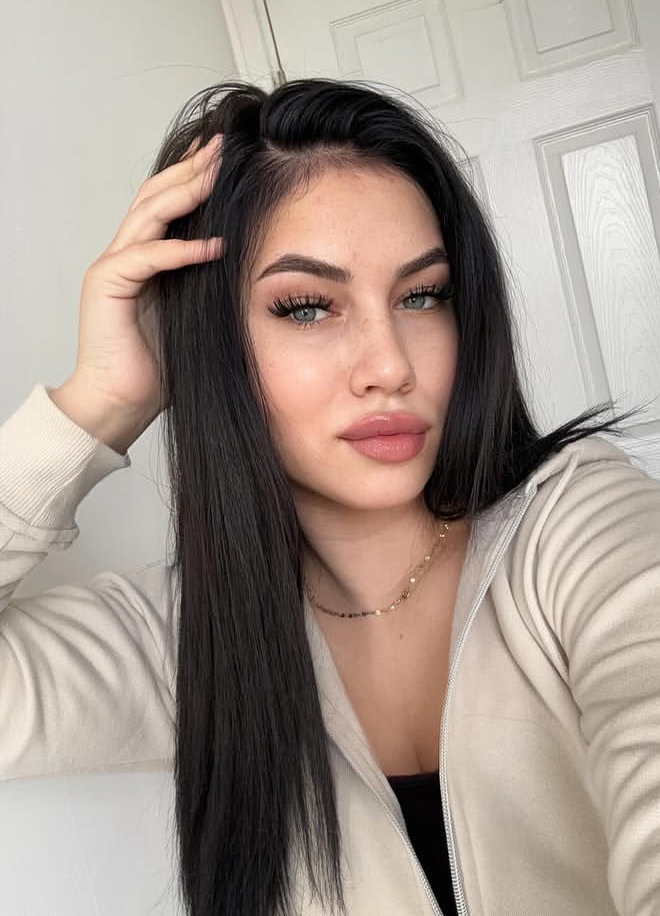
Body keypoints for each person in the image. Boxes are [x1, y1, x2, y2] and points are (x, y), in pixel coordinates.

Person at [0, 78, 658, 916]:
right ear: (212, 343)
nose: (391, 365)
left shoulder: (578, 529)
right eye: (308, 307)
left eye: (423, 295)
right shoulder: (187, 642)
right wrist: (99, 403)